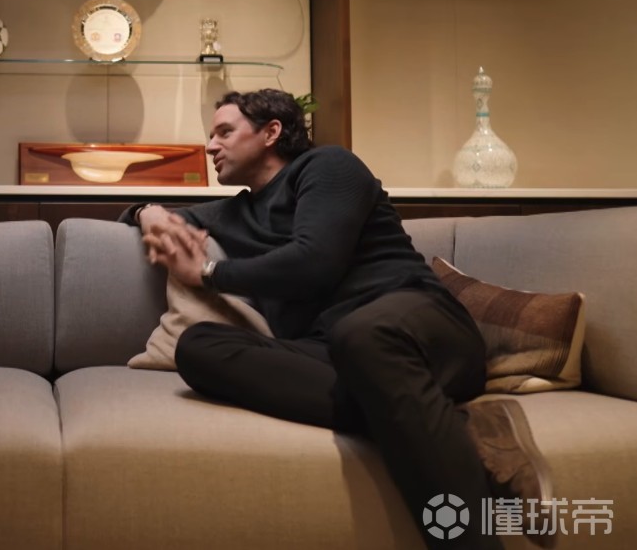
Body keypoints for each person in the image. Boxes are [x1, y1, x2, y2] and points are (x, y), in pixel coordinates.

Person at [125, 89, 554, 550]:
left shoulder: (329, 166)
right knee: (198, 347)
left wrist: (210, 273)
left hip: (420, 327)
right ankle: (458, 427)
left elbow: (314, 262)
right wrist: (150, 214)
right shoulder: (234, 213)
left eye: (224, 132)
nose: (211, 146)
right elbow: (139, 214)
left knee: (363, 334)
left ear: (271, 132)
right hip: (335, 353)